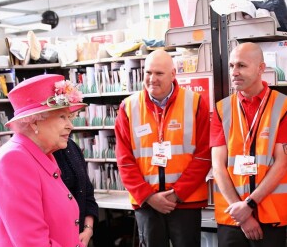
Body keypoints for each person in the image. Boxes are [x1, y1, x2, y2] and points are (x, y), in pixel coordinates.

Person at [115, 49, 211, 247]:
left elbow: (204, 156)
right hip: (147, 204)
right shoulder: (128, 107)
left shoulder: (195, 103)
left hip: (185, 202)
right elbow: (124, 160)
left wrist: (177, 193)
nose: (152, 79)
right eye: (148, 73)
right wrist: (149, 196)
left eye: (159, 73)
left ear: (173, 74)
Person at [0, 74, 87, 247]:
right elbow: (32, 242)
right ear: (34, 123)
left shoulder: (41, 154)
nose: (70, 126)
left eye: (69, 118)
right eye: (62, 117)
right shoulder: (14, 161)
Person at [210, 42, 287, 246]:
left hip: (271, 216)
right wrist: (242, 212)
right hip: (232, 217)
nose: (234, 72)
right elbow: (217, 167)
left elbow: (282, 164)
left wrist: (249, 204)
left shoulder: (283, 106)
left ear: (261, 68)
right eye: (232, 66)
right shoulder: (221, 109)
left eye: (242, 66)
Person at [53, 138, 99, 247]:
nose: (70, 126)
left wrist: (88, 229)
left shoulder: (72, 146)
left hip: (80, 237)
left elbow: (87, 191)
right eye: (62, 119)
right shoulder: (38, 155)